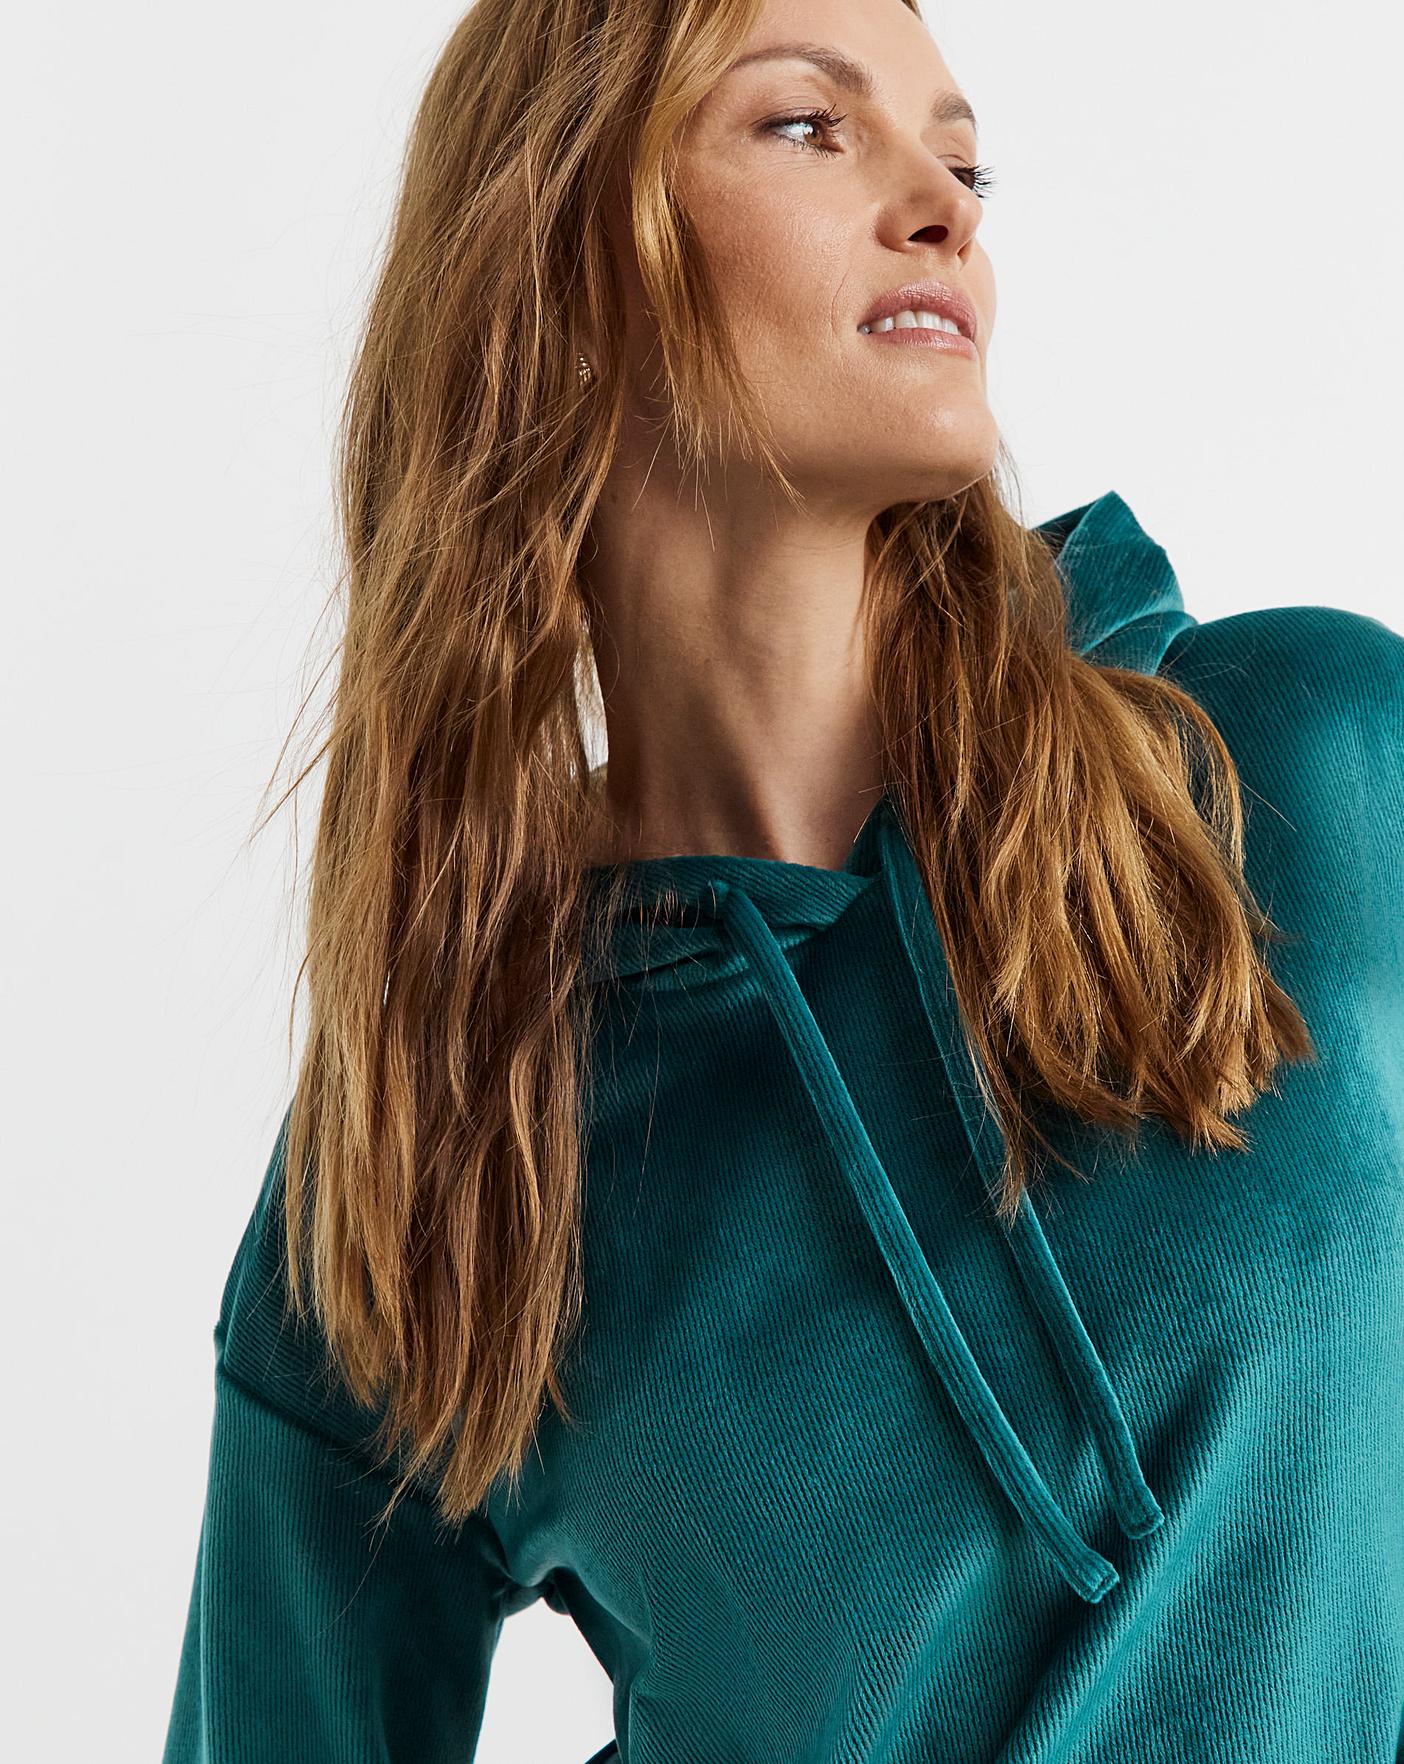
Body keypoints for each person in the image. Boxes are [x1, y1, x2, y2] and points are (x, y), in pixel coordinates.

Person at [160, 0, 1404, 1759]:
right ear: (569, 254)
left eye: (963, 159)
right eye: (809, 128)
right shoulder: (448, 1134)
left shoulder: (1305, 763)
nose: (942, 205)